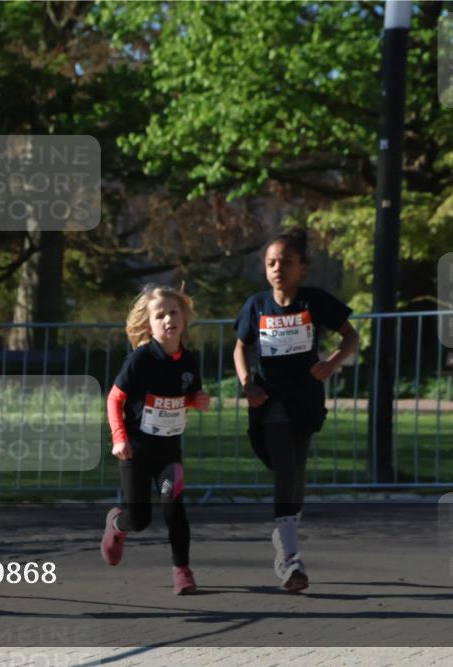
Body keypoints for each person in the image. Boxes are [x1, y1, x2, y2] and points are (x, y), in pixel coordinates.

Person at [232, 228, 358, 592]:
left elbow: (351, 336)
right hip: (269, 401)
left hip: (304, 399)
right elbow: (240, 348)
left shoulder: (314, 301)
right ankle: (291, 561)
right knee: (285, 470)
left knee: (296, 476)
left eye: (286, 262)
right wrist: (246, 384)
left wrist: (331, 362)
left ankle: (283, 538)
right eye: (271, 263)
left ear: (302, 268)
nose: (277, 269)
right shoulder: (256, 305)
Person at [99, 284, 211, 595]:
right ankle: (117, 525)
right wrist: (119, 438)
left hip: (168, 452)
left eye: (173, 312)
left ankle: (182, 570)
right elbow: (114, 399)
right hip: (136, 450)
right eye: (159, 315)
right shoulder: (139, 360)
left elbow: (183, 397)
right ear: (149, 324)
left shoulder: (188, 362)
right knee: (140, 518)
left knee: (173, 505)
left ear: (183, 318)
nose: (167, 319)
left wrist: (197, 401)